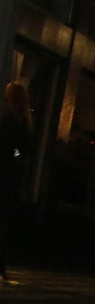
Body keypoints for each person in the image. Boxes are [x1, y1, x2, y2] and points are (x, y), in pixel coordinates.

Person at [0, 81, 30, 281]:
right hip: (9, 177)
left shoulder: (6, 118)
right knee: (4, 222)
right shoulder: (23, 120)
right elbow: (23, 149)